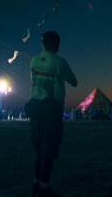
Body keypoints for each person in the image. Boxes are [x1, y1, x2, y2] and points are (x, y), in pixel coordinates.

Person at [25, 31, 77, 197]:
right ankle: (45, 188)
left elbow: (34, 82)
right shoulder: (59, 62)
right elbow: (74, 81)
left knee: (39, 150)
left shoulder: (34, 60)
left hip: (34, 106)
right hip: (51, 106)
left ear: (43, 44)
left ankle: (36, 185)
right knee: (49, 149)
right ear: (57, 44)